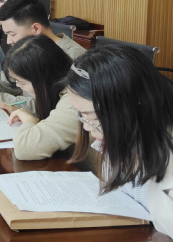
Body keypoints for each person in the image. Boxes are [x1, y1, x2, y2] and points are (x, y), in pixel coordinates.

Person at [67, 46, 173, 238]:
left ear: (134, 105)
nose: (86, 127)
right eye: (81, 115)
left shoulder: (166, 157)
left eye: (92, 117)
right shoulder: (126, 139)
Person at [0, 35, 79, 160]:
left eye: (21, 82)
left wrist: (30, 122)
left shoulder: (75, 100)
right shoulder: (62, 89)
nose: (18, 85)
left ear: (43, 79)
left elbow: (25, 149)